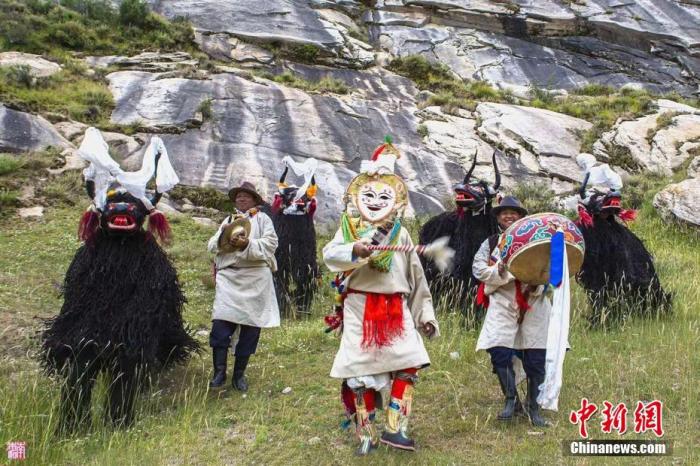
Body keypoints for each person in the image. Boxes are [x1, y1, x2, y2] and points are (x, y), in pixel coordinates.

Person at [323, 137, 439, 455]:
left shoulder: (401, 233)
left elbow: (416, 277)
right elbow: (330, 254)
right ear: (358, 196)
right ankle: (367, 435)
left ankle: (395, 429)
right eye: (369, 195)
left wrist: (425, 315)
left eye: (384, 196)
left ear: (395, 200)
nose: (375, 201)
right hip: (359, 308)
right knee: (360, 375)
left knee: (409, 365)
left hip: (396, 308)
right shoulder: (347, 228)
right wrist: (355, 249)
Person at [473, 196, 550, 427]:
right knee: (499, 349)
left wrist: (535, 278)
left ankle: (533, 407)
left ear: (521, 217)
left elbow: (550, 270)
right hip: (502, 301)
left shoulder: (537, 240)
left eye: (513, 212)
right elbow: (478, 269)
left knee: (536, 355)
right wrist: (504, 272)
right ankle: (511, 400)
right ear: (498, 217)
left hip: (534, 300)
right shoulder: (491, 243)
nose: (509, 216)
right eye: (504, 212)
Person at [207, 181, 280, 392]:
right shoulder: (228, 221)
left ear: (255, 200)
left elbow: (271, 244)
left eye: (246, 196)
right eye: (238, 196)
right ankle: (219, 373)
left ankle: (239, 375)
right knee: (220, 325)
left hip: (256, 279)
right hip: (229, 278)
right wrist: (224, 237)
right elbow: (212, 246)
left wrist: (248, 244)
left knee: (250, 327)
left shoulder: (263, 219)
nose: (241, 199)